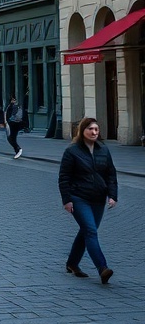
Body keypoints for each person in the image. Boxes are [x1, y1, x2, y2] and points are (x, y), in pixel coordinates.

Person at [58, 117, 117, 283]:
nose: (94, 132)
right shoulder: (72, 151)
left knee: (86, 231)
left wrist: (112, 195)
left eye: (96, 129)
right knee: (91, 231)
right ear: (82, 131)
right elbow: (64, 177)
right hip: (79, 197)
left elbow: (111, 174)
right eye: (90, 129)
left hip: (98, 198)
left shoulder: (103, 150)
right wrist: (67, 200)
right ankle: (103, 268)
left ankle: (72, 263)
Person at [4, 95, 25, 159]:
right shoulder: (11, 106)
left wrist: (8, 120)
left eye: (14, 100)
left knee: (11, 137)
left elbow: (11, 114)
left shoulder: (14, 106)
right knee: (11, 137)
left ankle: (18, 149)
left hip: (13, 123)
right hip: (11, 123)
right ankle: (17, 150)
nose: (13, 101)